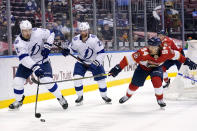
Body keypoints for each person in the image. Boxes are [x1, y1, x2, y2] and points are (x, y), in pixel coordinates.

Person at [109, 37, 197, 108]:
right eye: (150, 46)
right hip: (142, 69)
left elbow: (178, 56)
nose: (151, 49)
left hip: (157, 68)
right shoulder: (142, 53)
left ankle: (160, 99)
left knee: (157, 80)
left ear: (159, 46)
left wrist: (188, 62)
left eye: (154, 47)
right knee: (134, 84)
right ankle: (127, 96)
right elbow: (127, 59)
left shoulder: (166, 51)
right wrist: (117, 68)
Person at [9, 20, 68, 110]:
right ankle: (19, 100)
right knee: (17, 82)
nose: (28, 32)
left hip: (42, 61)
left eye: (29, 30)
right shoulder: (18, 43)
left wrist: (48, 46)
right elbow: (25, 59)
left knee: (47, 81)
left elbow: (51, 33)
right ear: (21, 31)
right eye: (25, 31)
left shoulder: (38, 31)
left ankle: (60, 97)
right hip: (27, 64)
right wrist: (35, 67)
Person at [61, 22, 111, 104]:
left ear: (88, 30)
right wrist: (67, 51)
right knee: (77, 78)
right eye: (81, 31)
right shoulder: (75, 40)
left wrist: (96, 63)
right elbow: (71, 49)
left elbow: (102, 52)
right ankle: (80, 96)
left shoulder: (94, 39)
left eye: (84, 31)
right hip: (81, 62)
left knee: (101, 80)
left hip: (94, 62)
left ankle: (104, 96)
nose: (83, 32)